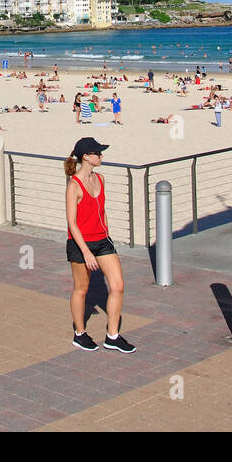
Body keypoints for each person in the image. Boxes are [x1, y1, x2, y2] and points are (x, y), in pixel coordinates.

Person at [64, 137, 133, 353]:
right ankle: (80, 333)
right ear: (86, 157)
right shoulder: (74, 185)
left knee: (118, 285)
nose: (101, 156)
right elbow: (72, 223)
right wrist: (86, 252)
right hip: (80, 244)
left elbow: (102, 212)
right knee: (81, 289)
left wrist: (107, 235)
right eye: (98, 153)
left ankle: (112, 336)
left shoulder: (100, 179)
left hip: (103, 241)